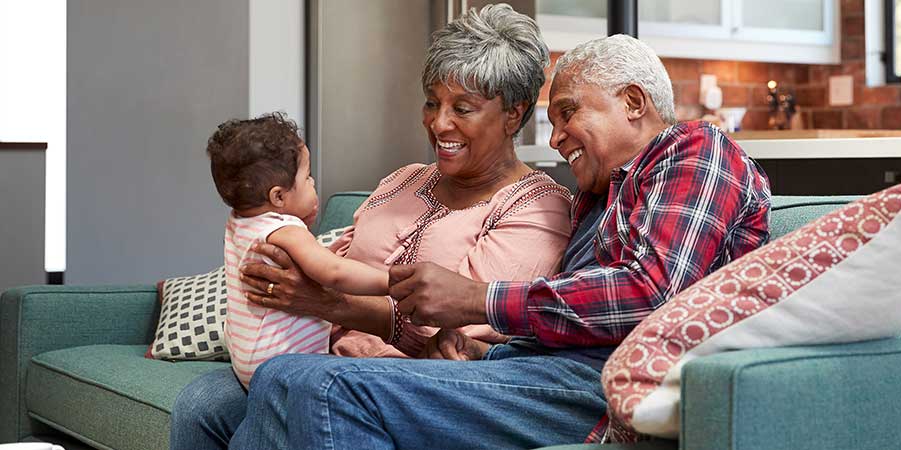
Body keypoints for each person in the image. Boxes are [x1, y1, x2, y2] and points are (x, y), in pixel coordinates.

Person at [226, 33, 772, 449]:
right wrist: (481, 345)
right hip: (540, 370)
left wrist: (475, 300)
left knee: (311, 383)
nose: (555, 139)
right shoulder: (603, 196)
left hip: (605, 385)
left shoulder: (696, 150)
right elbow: (569, 316)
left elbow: (650, 291)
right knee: (257, 388)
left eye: (567, 114)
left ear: (633, 101)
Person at [170, 4, 572, 449]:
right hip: (321, 353)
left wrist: (327, 303)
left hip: (404, 383)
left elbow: (461, 333)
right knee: (202, 400)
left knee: (286, 387)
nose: (439, 123)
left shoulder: (538, 207)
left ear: (514, 115)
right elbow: (333, 257)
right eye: (432, 102)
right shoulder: (404, 180)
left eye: (463, 107)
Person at [206, 113, 390, 388]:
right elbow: (334, 272)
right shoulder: (286, 230)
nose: (313, 183)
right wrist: (391, 281)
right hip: (284, 364)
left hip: (247, 360)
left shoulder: (239, 222)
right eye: (308, 177)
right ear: (278, 196)